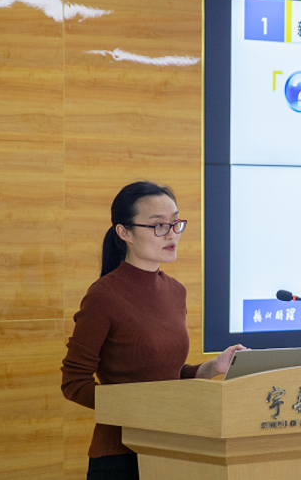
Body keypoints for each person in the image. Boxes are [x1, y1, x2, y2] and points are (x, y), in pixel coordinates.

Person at [61, 181, 245, 480]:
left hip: (173, 446)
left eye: (175, 223)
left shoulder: (176, 291)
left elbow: (164, 378)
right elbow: (73, 382)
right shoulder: (103, 295)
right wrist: (140, 407)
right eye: (159, 225)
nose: (171, 234)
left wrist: (212, 367)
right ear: (125, 232)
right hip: (121, 456)